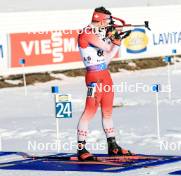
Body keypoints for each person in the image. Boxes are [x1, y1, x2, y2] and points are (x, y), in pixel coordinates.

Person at [77, 6, 133, 161]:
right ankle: (81, 149)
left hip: (105, 74)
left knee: (107, 112)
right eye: (108, 20)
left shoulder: (98, 34)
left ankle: (112, 145)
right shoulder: (87, 33)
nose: (109, 23)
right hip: (94, 77)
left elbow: (107, 57)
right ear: (100, 19)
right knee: (89, 111)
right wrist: (113, 38)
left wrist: (117, 42)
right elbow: (107, 46)